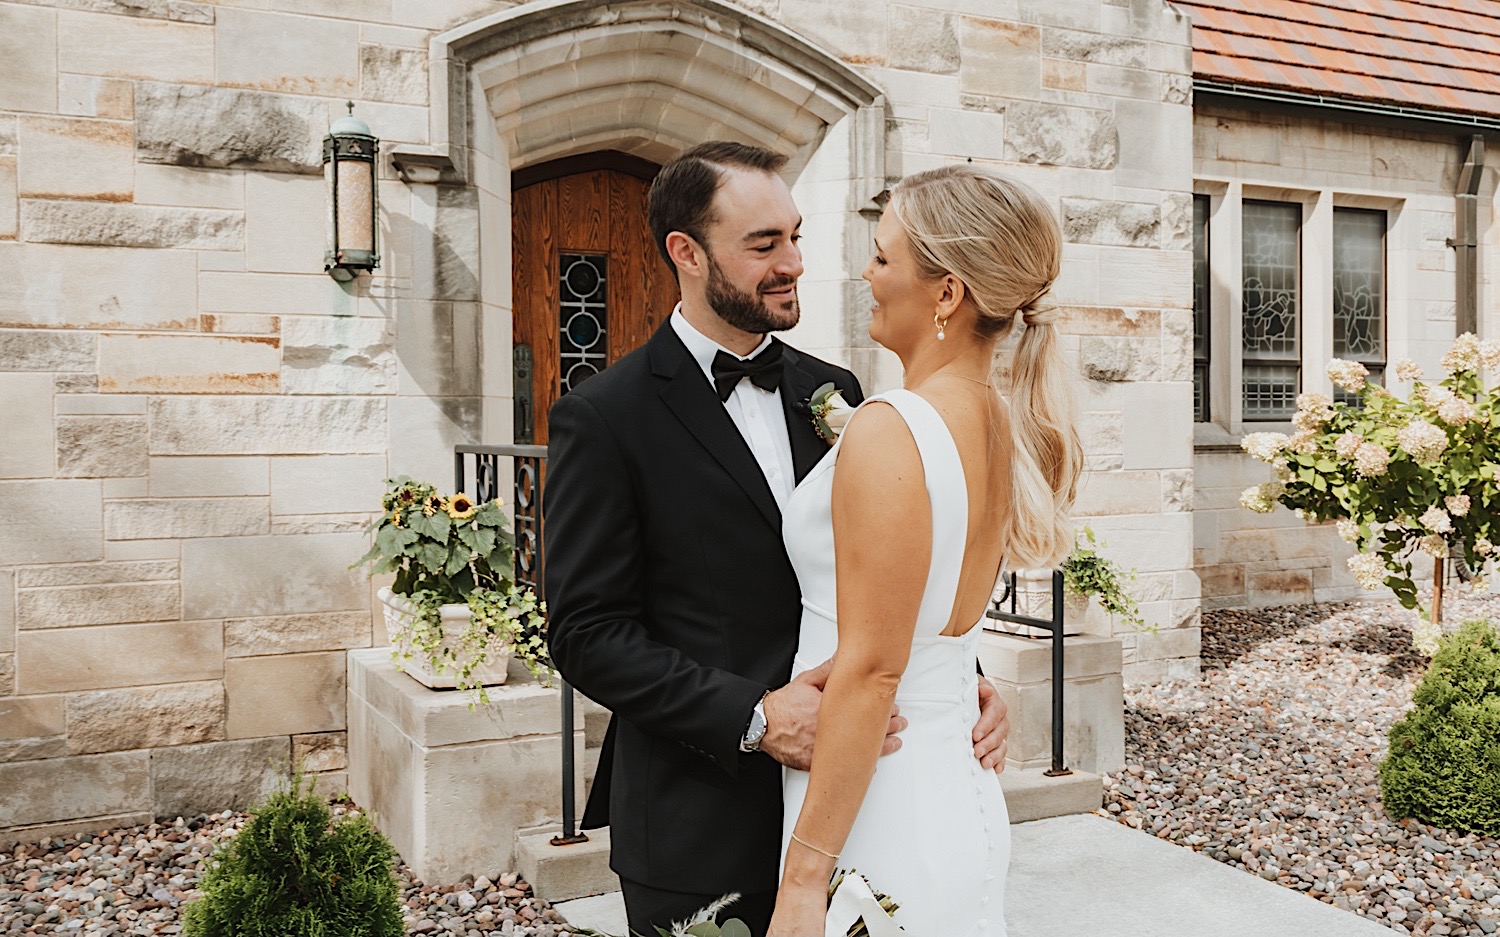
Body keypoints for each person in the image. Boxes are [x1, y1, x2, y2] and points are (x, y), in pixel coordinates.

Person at [544, 142, 1013, 936]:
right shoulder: (605, 416)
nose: (794, 261)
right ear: (686, 254)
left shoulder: (840, 393)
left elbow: (880, 579)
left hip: (863, 804)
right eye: (764, 245)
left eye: (795, 236)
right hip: (699, 822)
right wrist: (756, 716)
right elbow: (586, 634)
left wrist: (954, 673)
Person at [769, 165, 1082, 936]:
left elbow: (873, 669)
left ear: (946, 294)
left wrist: (804, 882)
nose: (867, 275)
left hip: (878, 807)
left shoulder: (892, 426)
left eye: (882, 256)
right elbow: (932, 619)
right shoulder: (997, 420)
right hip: (953, 791)